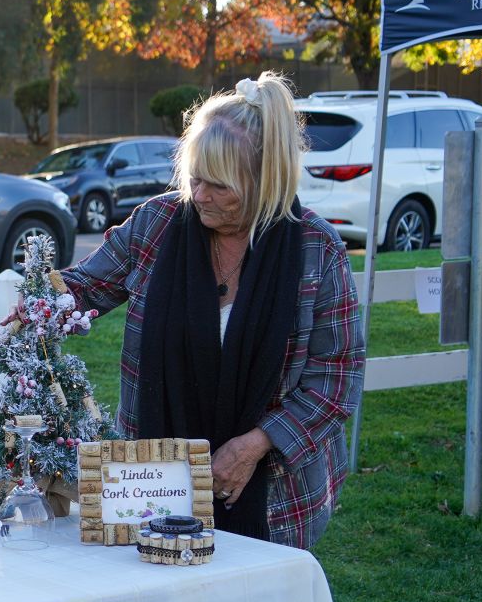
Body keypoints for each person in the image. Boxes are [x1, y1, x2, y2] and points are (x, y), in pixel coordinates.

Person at [58, 72, 364, 549]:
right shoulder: (158, 224)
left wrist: (255, 445)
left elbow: (336, 379)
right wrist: (41, 309)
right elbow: (84, 287)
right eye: (195, 176)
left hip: (276, 500)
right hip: (153, 485)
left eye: (219, 186)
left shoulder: (315, 249)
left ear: (265, 179)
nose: (199, 196)